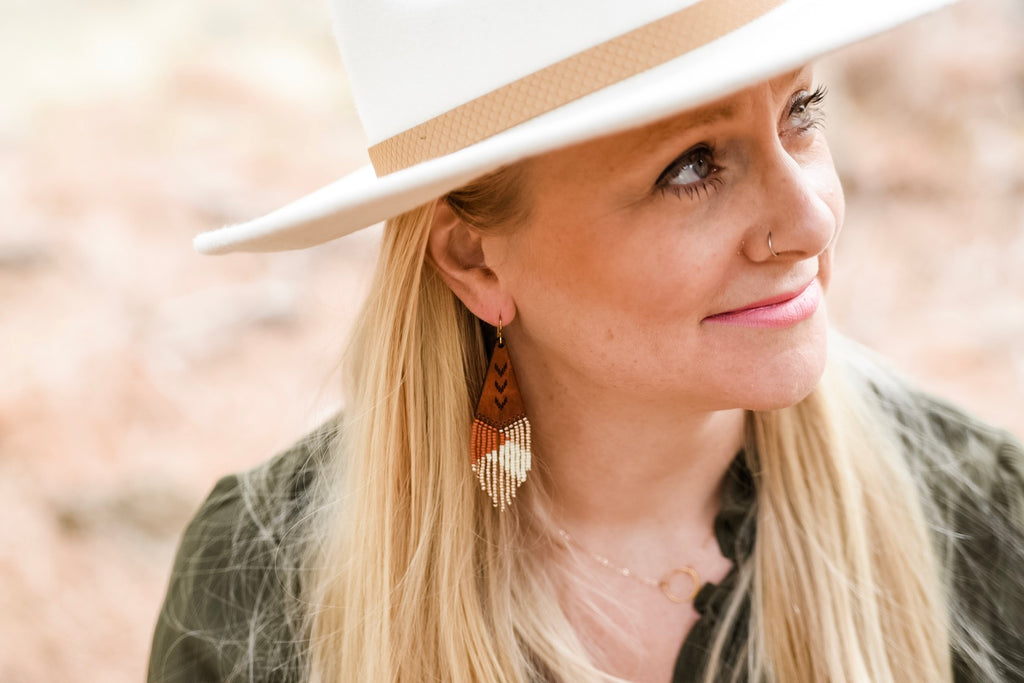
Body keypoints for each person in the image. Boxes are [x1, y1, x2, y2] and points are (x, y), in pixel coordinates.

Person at [148, 0, 1024, 681]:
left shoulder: (980, 528)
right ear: (473, 259)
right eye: (693, 165)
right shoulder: (260, 593)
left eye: (801, 109)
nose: (808, 220)